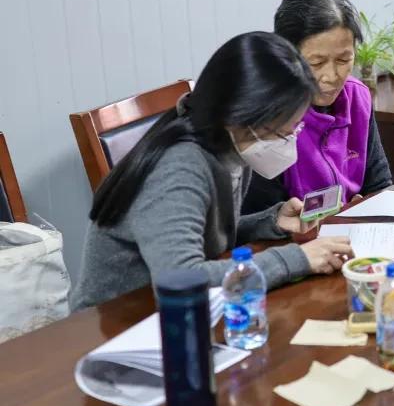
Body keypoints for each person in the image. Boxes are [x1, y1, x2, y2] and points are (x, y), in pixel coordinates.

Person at [71, 32, 352, 311]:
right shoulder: (178, 166)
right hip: (112, 326)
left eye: (294, 127)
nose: (289, 138)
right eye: (281, 130)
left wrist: (271, 221)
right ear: (241, 114)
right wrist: (296, 259)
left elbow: (199, 233)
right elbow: (180, 280)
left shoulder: (229, 145)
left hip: (171, 314)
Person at [242, 0, 392, 213]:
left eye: (343, 60)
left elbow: (379, 185)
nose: (331, 77)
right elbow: (260, 217)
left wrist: (363, 208)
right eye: (316, 63)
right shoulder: (267, 116)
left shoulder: (357, 97)